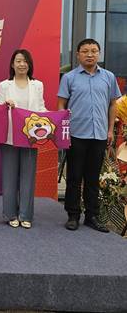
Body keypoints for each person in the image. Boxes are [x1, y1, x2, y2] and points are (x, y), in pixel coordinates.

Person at [58, 38, 121, 233]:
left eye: (94, 51)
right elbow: (61, 104)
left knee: (93, 178)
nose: (90, 54)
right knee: (74, 177)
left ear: (99, 54)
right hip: (76, 133)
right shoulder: (69, 78)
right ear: (78, 55)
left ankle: (92, 216)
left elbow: (113, 105)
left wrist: (110, 130)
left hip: (99, 134)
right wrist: (64, 130)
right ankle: (73, 215)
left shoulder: (108, 77)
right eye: (85, 51)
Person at [0, 49, 46, 229]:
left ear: (29, 64)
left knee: (28, 177)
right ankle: (10, 214)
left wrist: (58, 117)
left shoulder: (37, 85)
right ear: (12, 64)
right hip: (9, 136)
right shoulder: (4, 85)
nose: (22, 64)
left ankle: (26, 214)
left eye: (25, 61)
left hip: (31, 137)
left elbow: (41, 108)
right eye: (18, 61)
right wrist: (4, 105)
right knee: (9, 176)